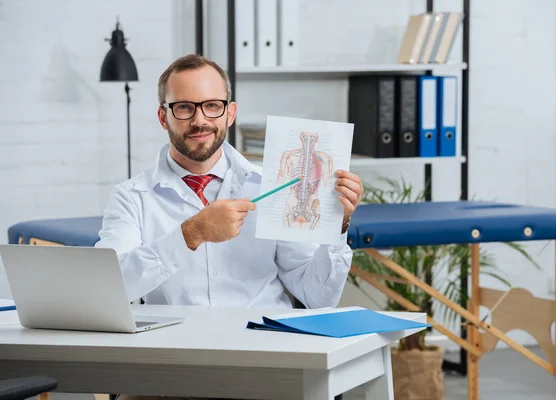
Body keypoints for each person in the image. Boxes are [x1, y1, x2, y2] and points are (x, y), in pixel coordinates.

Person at [95, 53, 364, 311]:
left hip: (265, 346)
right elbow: (106, 289)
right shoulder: (131, 197)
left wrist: (336, 226)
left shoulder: (272, 188)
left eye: (212, 106)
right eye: (184, 108)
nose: (199, 121)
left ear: (230, 113)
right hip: (178, 350)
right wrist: (191, 234)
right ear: (163, 117)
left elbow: (317, 298)